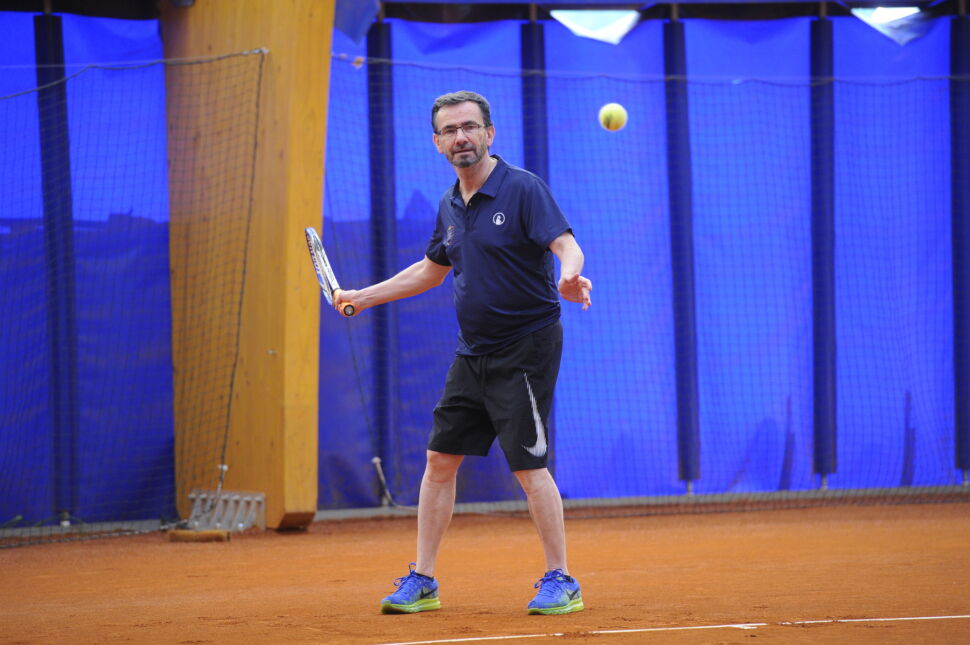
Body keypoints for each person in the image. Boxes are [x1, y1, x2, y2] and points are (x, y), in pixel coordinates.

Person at [332, 90, 592, 616]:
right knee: (439, 460)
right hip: (473, 351)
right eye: (450, 131)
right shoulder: (450, 203)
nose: (461, 138)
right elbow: (432, 270)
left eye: (470, 127)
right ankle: (424, 579)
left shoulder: (523, 189)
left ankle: (562, 579)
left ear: (489, 133)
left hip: (526, 347)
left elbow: (565, 243)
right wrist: (364, 296)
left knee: (528, 467)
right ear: (437, 143)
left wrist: (569, 275)